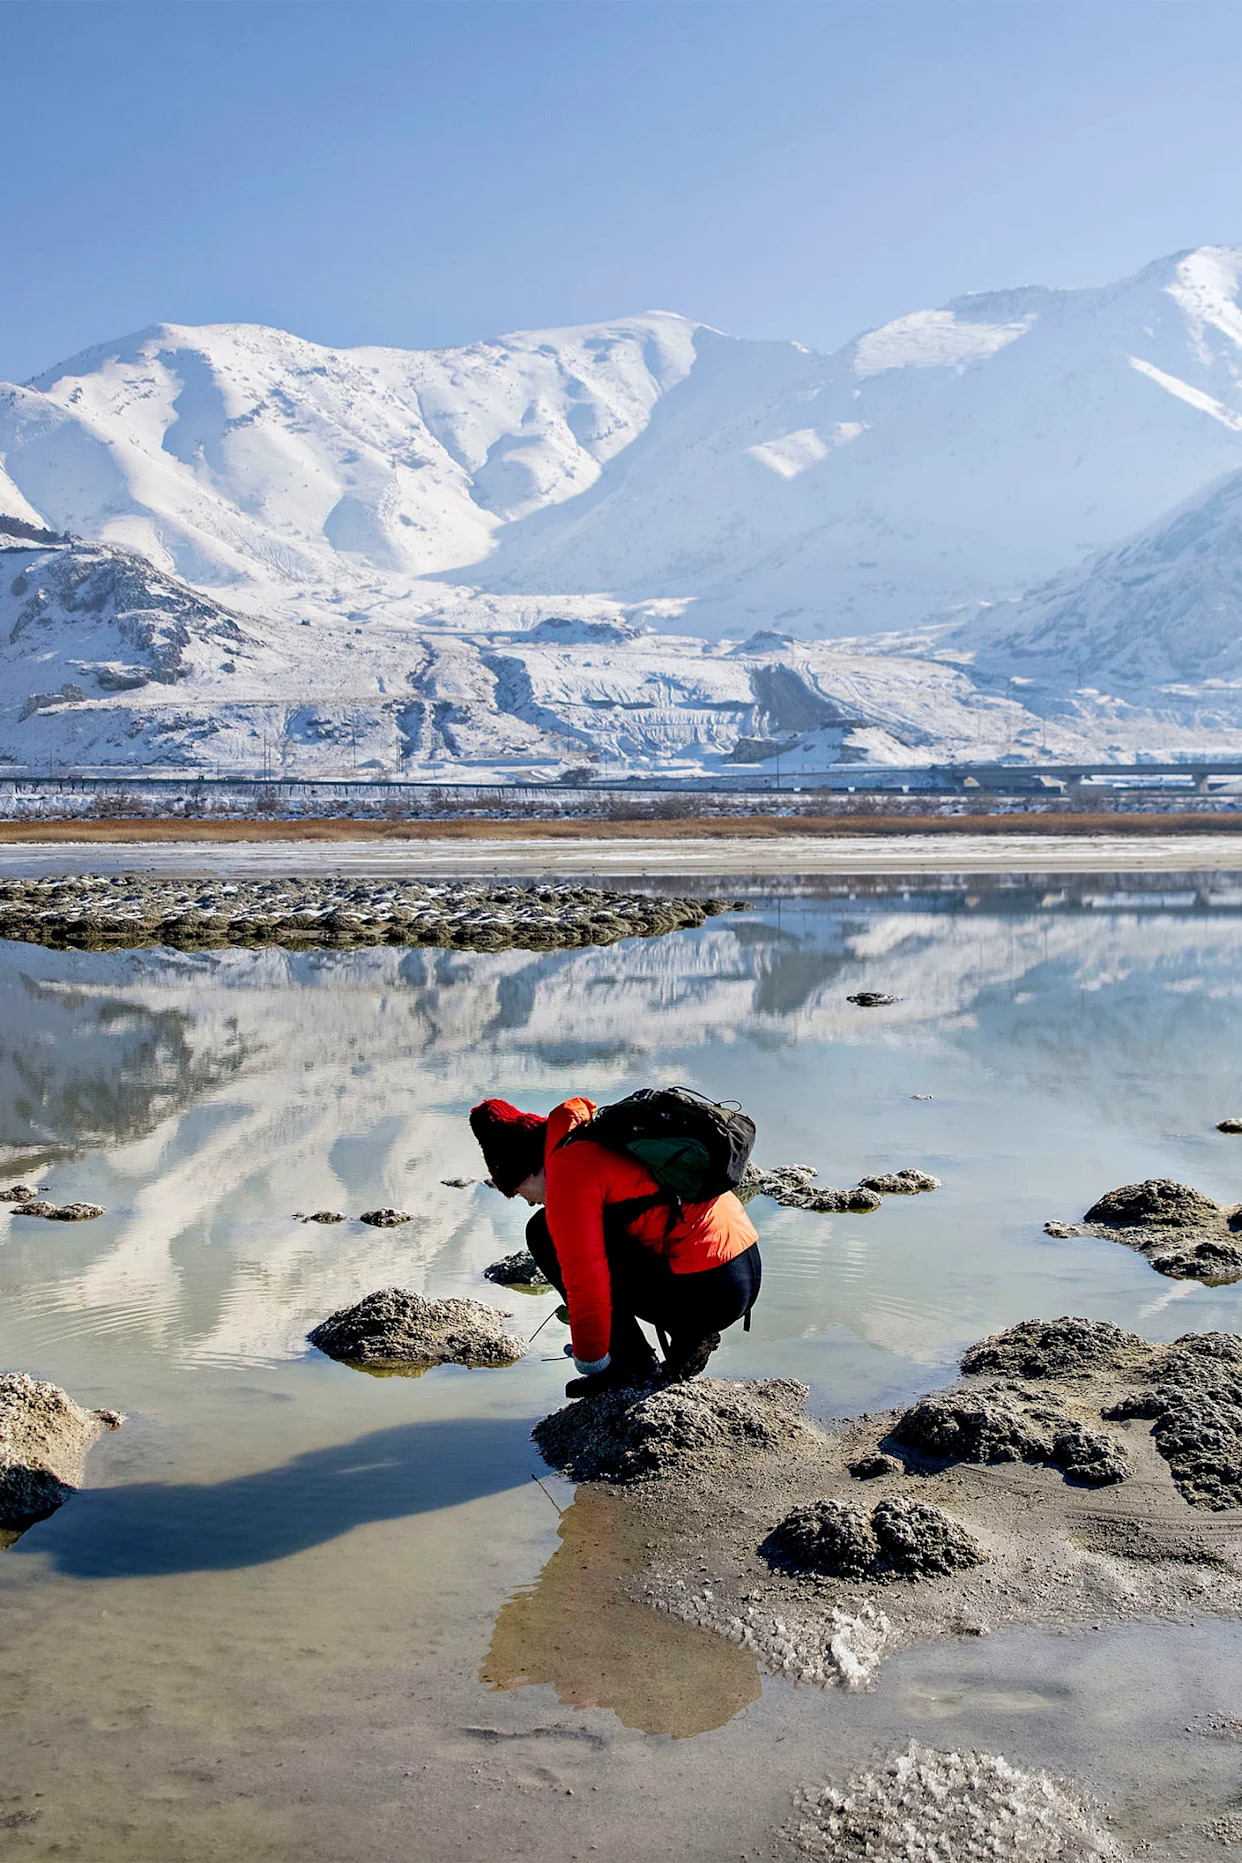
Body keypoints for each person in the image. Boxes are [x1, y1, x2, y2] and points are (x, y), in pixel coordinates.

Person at [470, 1094, 761, 1398]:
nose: (529, 1201)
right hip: (742, 1267)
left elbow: (585, 1281)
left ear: (526, 1169)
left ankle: (629, 1365)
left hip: (710, 1290)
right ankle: (689, 1336)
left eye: (518, 1191)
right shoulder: (595, 1134)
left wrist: (591, 1359)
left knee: (542, 1233)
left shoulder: (569, 1171)